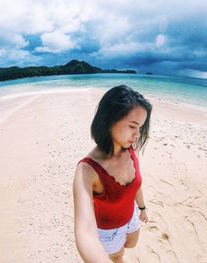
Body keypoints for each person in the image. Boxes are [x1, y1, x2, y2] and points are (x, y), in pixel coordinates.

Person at [73, 85, 152, 263]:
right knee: (117, 256)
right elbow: (85, 232)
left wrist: (142, 208)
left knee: (131, 244)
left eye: (140, 127)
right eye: (132, 126)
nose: (137, 134)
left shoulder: (132, 148)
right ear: (109, 121)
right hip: (107, 231)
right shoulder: (87, 170)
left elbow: (135, 184)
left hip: (131, 215)